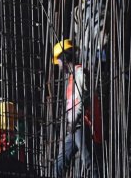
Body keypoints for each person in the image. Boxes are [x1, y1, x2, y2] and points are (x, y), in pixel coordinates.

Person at [53, 39, 103, 178]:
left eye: (59, 60)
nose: (58, 64)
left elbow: (81, 101)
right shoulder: (71, 78)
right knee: (60, 163)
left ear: (64, 57)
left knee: (88, 161)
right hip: (75, 127)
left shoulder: (80, 73)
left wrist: (73, 121)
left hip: (82, 125)